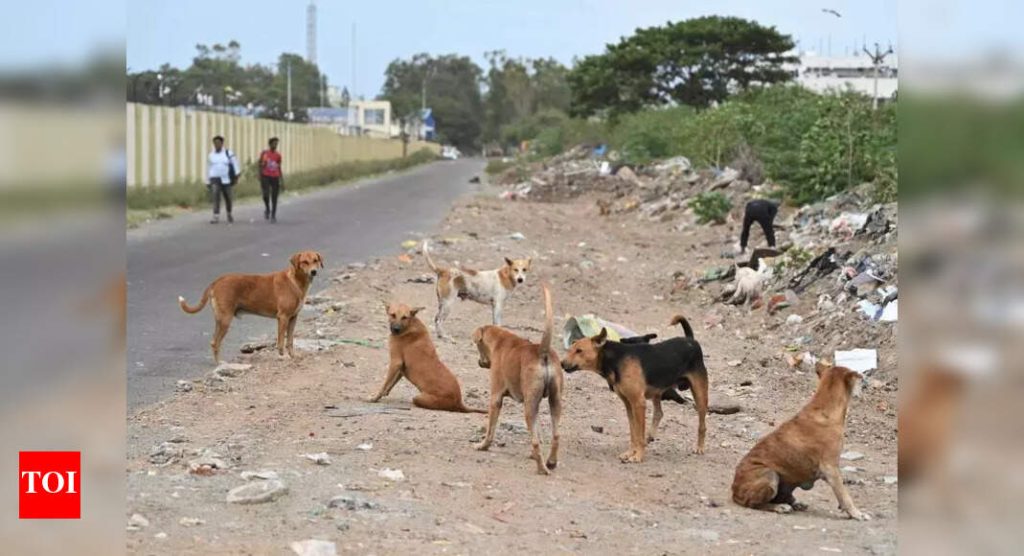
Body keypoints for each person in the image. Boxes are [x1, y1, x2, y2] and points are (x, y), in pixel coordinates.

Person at [207, 135, 239, 224]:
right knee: (215, 196)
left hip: (226, 179)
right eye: (215, 143)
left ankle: (229, 213)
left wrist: (237, 175)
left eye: (218, 143)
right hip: (214, 178)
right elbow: (208, 168)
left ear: (222, 143)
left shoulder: (228, 153)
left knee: (228, 197)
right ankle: (216, 216)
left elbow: (235, 163)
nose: (217, 145)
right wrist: (207, 180)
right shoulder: (211, 155)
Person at [258, 137, 283, 222]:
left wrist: (281, 179)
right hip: (265, 176)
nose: (275, 145)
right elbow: (260, 164)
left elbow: (279, 167)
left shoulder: (278, 155)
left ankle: (273, 215)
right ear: (270, 144)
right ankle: (267, 208)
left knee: (274, 196)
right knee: (265, 195)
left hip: (275, 176)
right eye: (274, 143)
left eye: (276, 144)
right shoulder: (265, 153)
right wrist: (260, 175)